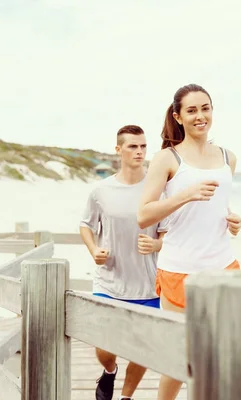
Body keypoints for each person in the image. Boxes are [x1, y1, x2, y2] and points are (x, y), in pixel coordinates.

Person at [137, 83, 241, 400]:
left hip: (223, 266)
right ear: (178, 116)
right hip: (179, 269)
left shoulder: (228, 157)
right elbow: (143, 215)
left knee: (224, 356)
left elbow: (218, 206)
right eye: (192, 110)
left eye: (205, 108)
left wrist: (234, 221)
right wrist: (185, 195)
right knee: (178, 360)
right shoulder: (166, 159)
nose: (200, 116)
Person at [80, 124, 168, 400]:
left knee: (142, 349)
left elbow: (167, 235)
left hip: (147, 285)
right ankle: (109, 372)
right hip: (109, 282)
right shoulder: (101, 191)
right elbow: (85, 225)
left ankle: (126, 397)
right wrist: (94, 249)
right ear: (118, 150)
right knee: (105, 347)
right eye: (132, 146)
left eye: (143, 146)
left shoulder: (157, 190)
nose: (139, 151)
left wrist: (156, 244)